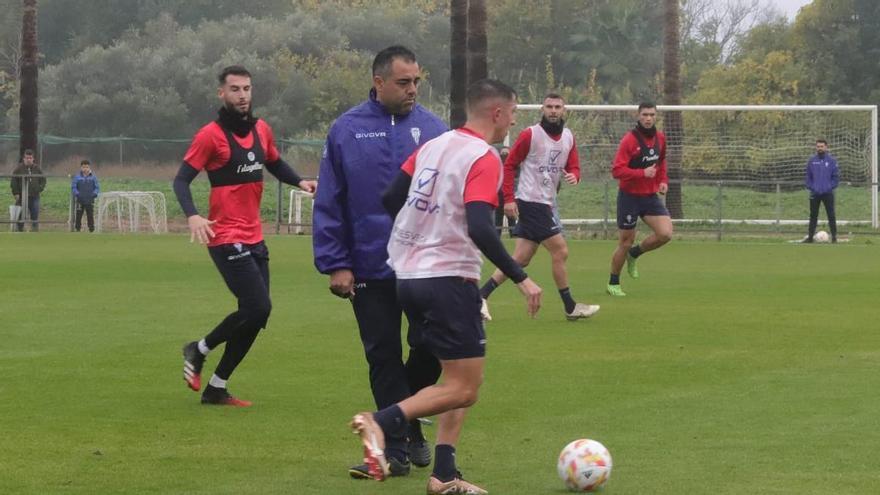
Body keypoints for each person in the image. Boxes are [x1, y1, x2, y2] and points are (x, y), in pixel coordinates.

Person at [350, 78, 542, 495]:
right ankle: (379, 422)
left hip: (409, 277)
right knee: (465, 387)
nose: (513, 120)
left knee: (456, 377)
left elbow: (390, 197)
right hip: (447, 279)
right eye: (512, 112)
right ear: (496, 113)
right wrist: (521, 276)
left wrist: (423, 229)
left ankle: (444, 476)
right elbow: (478, 225)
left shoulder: (433, 145)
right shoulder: (484, 156)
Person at [312, 45, 448, 477]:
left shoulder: (434, 129)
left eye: (417, 82)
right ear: (379, 82)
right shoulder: (346, 130)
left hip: (425, 266)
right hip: (369, 264)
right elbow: (330, 202)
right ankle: (395, 451)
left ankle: (404, 420)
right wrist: (336, 262)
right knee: (384, 355)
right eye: (404, 82)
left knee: (430, 347)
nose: (413, 90)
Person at [173, 65, 316, 406]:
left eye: (247, 89)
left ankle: (217, 386)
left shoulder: (261, 129)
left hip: (254, 235)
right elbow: (181, 180)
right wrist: (193, 215)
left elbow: (275, 163)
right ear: (221, 93)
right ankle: (199, 348)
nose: (242, 95)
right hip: (224, 236)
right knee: (258, 305)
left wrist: (300, 181)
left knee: (258, 314)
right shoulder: (210, 135)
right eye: (235, 89)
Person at [479, 93, 599, 321]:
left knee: (521, 258)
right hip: (531, 201)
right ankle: (570, 307)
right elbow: (510, 165)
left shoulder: (568, 137)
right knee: (560, 250)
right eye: (549, 106)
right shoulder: (530, 135)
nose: (553, 110)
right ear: (542, 110)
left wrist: (574, 175)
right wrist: (509, 199)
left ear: (564, 110)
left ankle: (481, 295)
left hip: (546, 202)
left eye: (557, 107)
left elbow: (574, 166)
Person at [606, 102, 673, 297]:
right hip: (629, 198)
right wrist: (642, 173)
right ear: (638, 116)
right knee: (625, 241)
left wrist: (663, 181)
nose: (648, 118)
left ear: (656, 116)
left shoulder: (660, 138)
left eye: (652, 114)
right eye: (645, 114)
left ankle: (634, 254)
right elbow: (616, 170)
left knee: (665, 234)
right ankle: (613, 282)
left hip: (650, 197)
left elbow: (661, 162)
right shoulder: (629, 140)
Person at [803, 138, 839, 243]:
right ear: (816, 147)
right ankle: (810, 238)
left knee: (831, 215)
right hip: (815, 193)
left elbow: (835, 178)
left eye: (822, 146)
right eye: (818, 146)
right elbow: (808, 177)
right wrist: (812, 187)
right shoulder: (812, 161)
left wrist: (829, 187)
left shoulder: (831, 161)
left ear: (826, 147)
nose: (820, 148)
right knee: (813, 215)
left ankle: (834, 238)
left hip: (828, 193)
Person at [10, 149, 46, 232]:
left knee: (35, 213)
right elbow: (13, 181)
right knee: (20, 214)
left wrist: (39, 188)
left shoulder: (37, 168)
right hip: (22, 196)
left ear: (33, 159)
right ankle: (20, 230)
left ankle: (34, 230)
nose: (28, 160)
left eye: (30, 158)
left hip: (34, 196)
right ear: (24, 158)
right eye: (27, 158)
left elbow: (43, 179)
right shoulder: (18, 169)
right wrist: (16, 193)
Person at [493, 145, 517, 236]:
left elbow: (516, 179)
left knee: (511, 217)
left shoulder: (515, 166)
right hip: (498, 195)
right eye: (503, 154)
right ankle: (496, 235)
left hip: (510, 195)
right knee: (498, 218)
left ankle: (513, 234)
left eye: (506, 154)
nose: (504, 156)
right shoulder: (497, 166)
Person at [71, 159, 100, 232]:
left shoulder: (93, 177)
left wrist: (94, 194)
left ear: (89, 168)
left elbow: (97, 187)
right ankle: (77, 229)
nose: (85, 169)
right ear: (81, 168)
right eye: (83, 167)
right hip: (80, 200)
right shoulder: (77, 177)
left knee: (90, 215)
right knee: (78, 215)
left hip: (89, 200)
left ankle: (91, 229)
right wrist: (77, 194)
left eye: (87, 167)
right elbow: (73, 187)